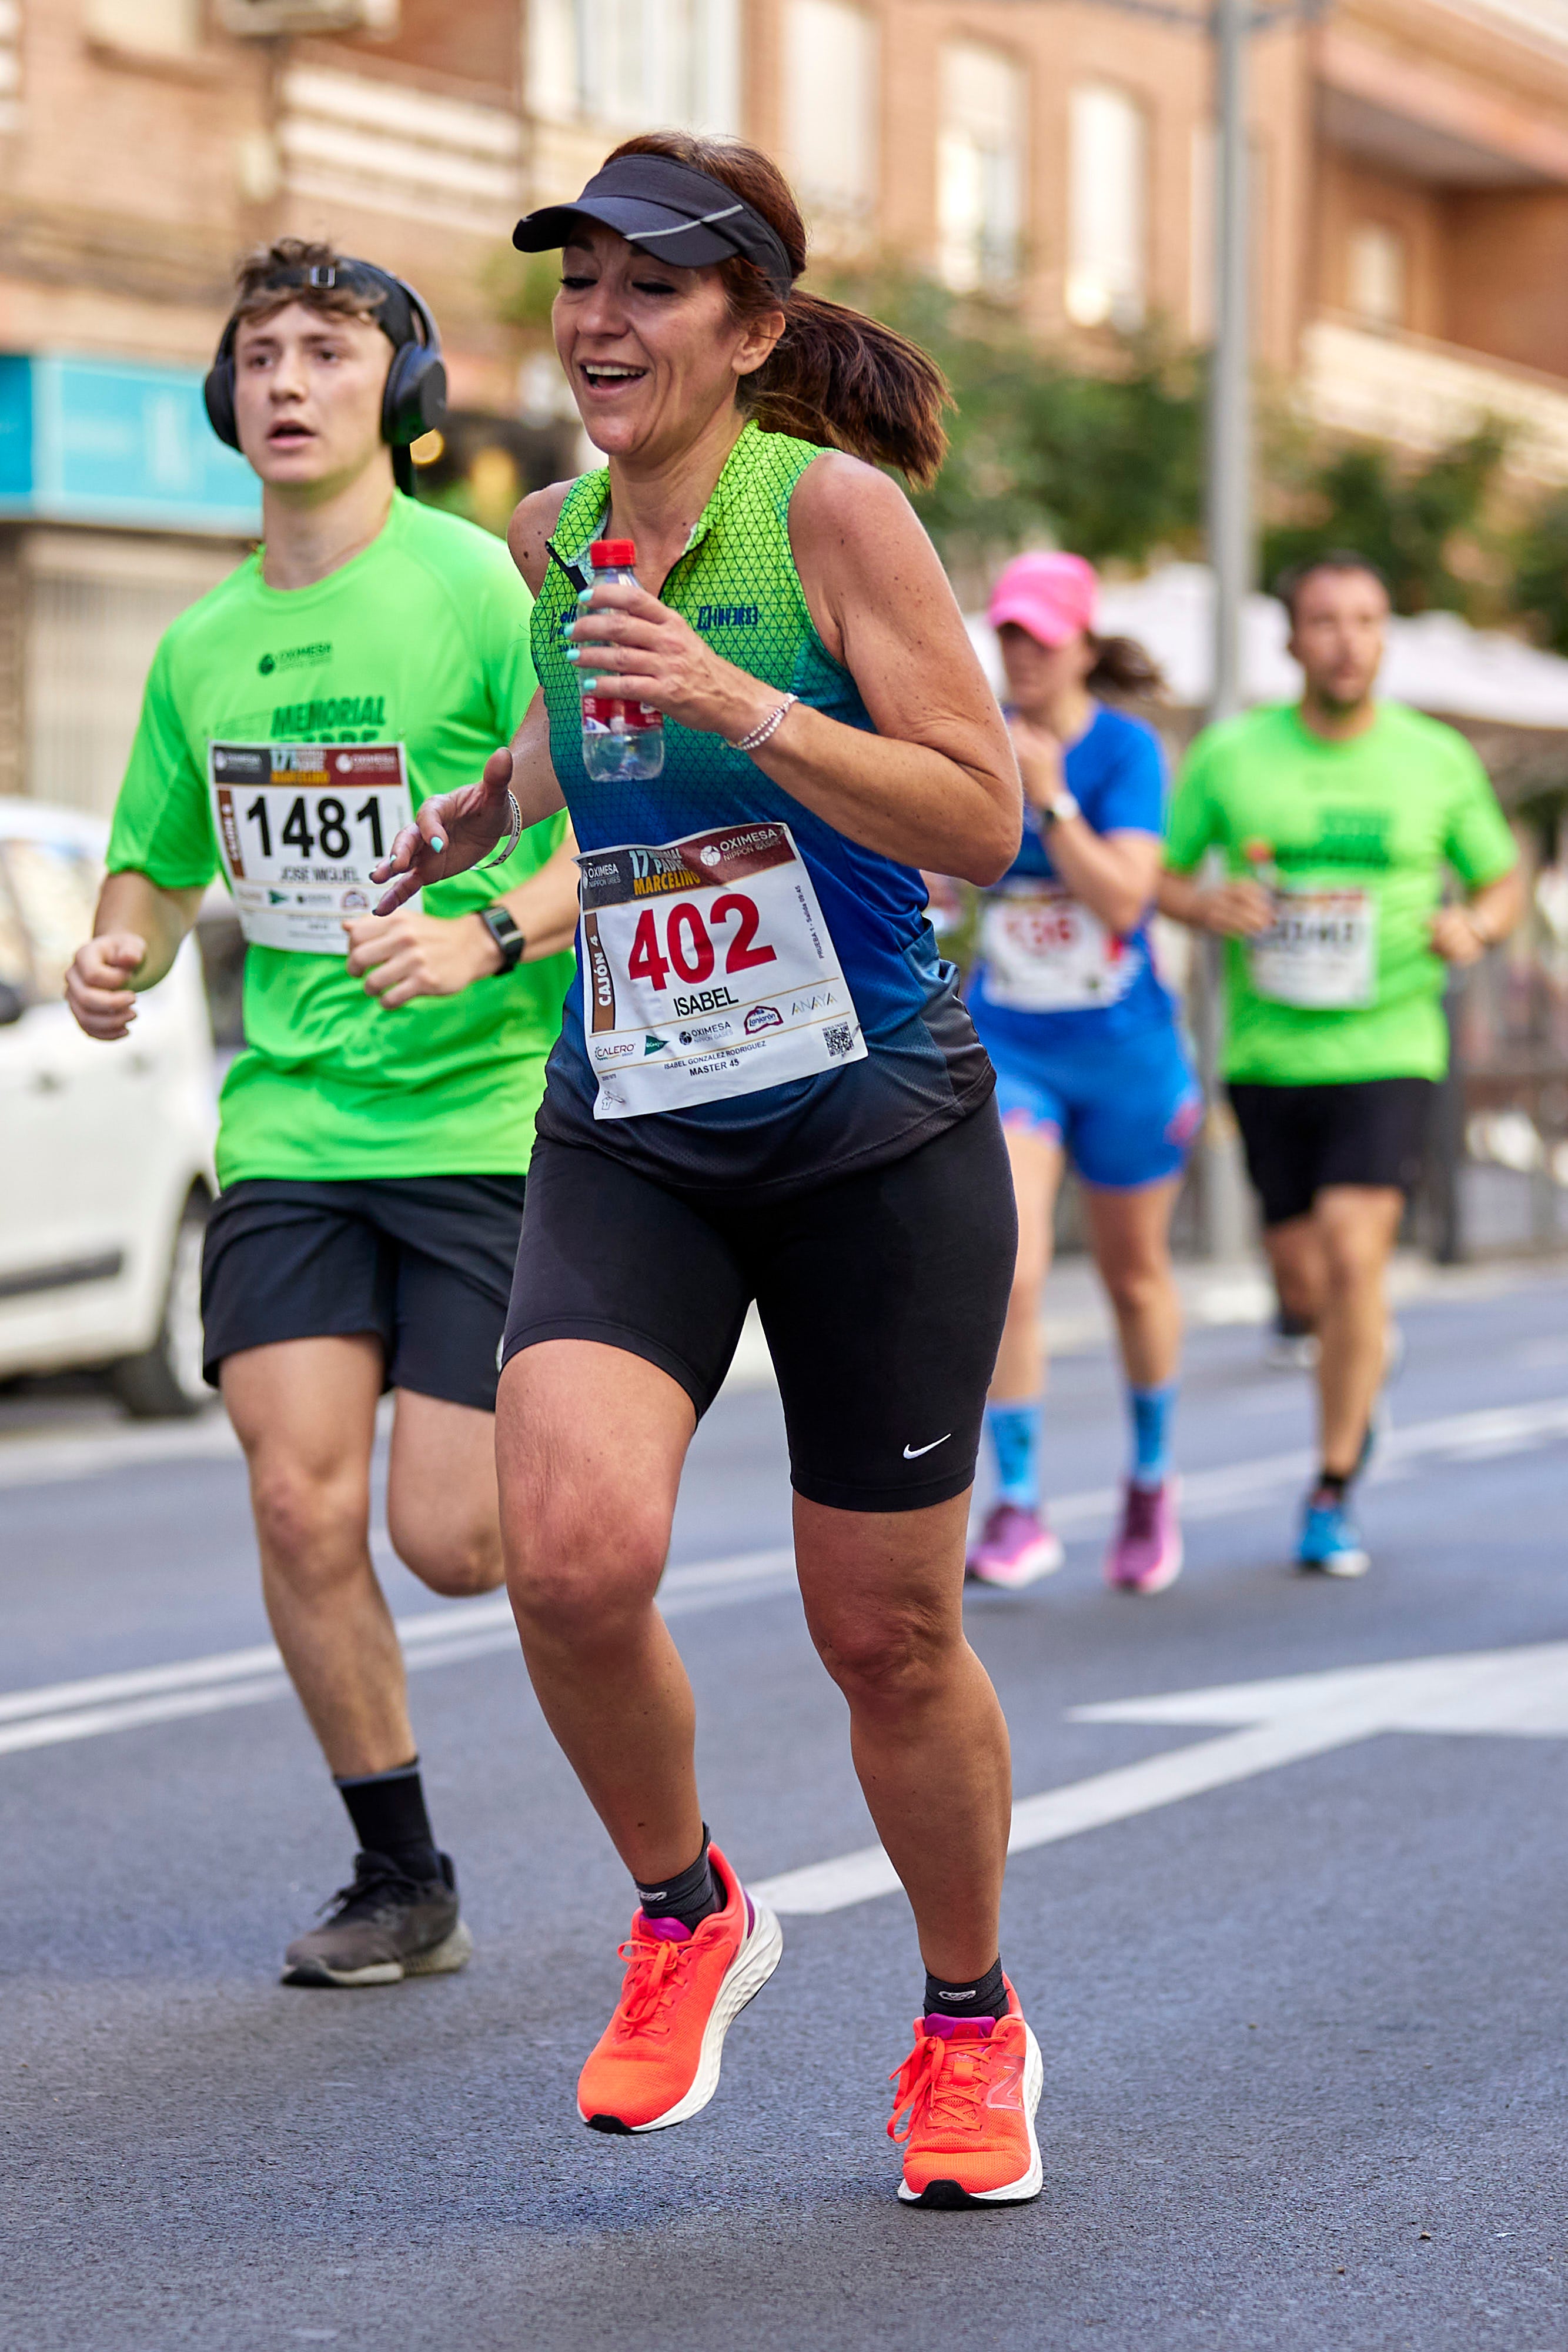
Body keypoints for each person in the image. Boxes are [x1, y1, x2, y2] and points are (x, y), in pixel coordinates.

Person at [375, 133, 1043, 2207]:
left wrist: (743, 696)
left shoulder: (828, 512)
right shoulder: (547, 532)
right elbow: (591, 746)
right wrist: (478, 816)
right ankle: (686, 1910)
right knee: (562, 1557)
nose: (596, 324)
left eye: (647, 290)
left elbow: (976, 817)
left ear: (749, 333)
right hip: (637, 1125)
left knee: (886, 1640)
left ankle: (963, 2024)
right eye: (576, 285)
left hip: (871, 1140)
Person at [65, 240, 580, 1984]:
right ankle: (399, 1874)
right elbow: (151, 858)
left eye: (327, 353)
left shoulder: (477, 592)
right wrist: (115, 955)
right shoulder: (204, 643)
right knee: (297, 1505)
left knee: (455, 1542)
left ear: (401, 398)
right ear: (227, 399)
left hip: (488, 1115)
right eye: (260, 354)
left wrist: (481, 933)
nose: (286, 381)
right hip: (288, 1122)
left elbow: (611, 813)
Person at [1160, 552, 1522, 1576]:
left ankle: (1332, 1485)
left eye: (1366, 621)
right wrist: (1204, 904)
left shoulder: (1435, 758)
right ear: (1291, 639)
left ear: (1385, 637)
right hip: (1272, 1055)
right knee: (1306, 1277)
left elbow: (1499, 880)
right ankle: (1346, 1336)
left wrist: (1476, 929)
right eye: (1325, 621)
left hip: (1391, 1043)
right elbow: (1166, 877)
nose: (1347, 641)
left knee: (1358, 1256)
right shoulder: (1233, 757)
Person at [961, 552, 1201, 1597]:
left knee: (1132, 1275)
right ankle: (1017, 1504)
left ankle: (1151, 1482)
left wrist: (1051, 801)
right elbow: (935, 868)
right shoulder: (974, 738)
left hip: (1126, 1052)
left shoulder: (1123, 751)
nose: (1021, 655)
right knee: (1008, 1267)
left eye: (1041, 639)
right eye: (1009, 635)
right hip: (1014, 1045)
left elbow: (1125, 902)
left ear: (1085, 650)